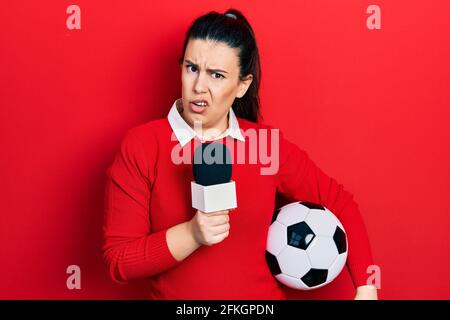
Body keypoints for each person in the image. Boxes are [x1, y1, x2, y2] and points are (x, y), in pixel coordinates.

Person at [102, 8, 378, 300]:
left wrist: (366, 287)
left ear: (242, 85)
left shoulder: (264, 145)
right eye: (191, 68)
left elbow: (339, 202)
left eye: (217, 75)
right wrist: (193, 234)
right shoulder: (143, 145)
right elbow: (119, 259)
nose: (199, 87)